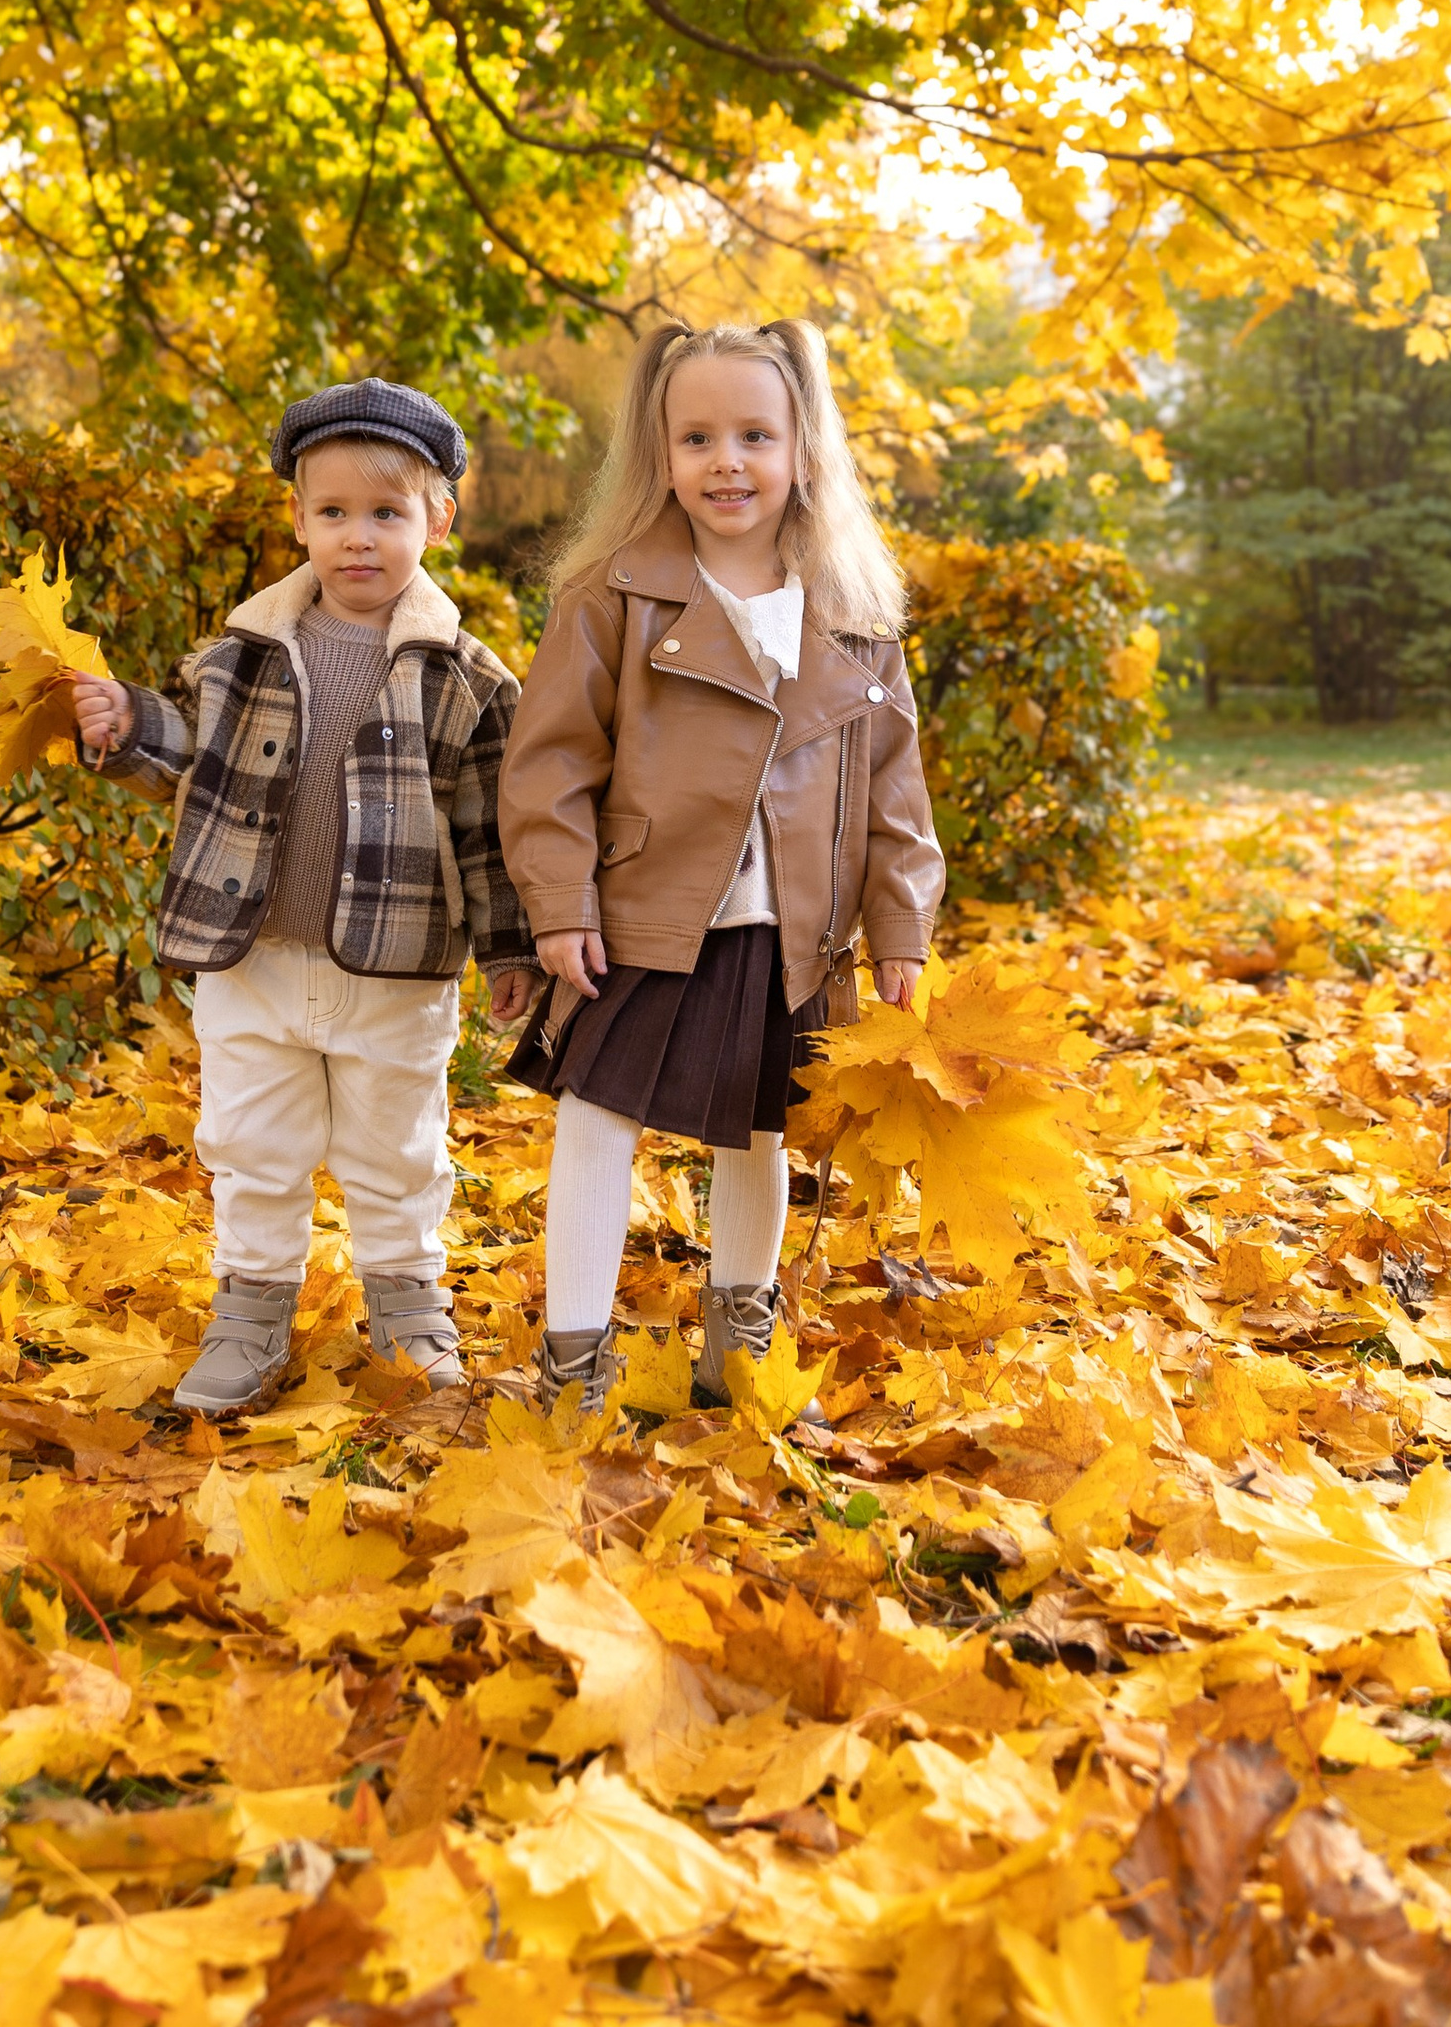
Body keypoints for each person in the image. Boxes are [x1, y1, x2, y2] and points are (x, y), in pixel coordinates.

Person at [497, 318, 943, 1414]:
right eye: (696, 438)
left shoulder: (852, 620)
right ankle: (574, 1359)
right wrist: (558, 905)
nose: (727, 462)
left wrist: (899, 933)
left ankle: (738, 1338)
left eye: (754, 434)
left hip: (792, 926)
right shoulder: (612, 594)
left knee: (759, 1130)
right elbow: (549, 764)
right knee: (596, 1119)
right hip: (645, 913)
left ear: (802, 450)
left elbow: (895, 794)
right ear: (659, 451)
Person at [69, 380, 537, 1414]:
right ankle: (249, 1313)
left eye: (385, 514)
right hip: (253, 958)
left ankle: (408, 1307)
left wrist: (511, 951)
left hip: (396, 966)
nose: (356, 538)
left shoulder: (465, 678)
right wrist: (125, 722)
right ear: (297, 518)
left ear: (437, 520)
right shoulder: (244, 652)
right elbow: (185, 750)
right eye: (331, 513)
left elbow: (487, 829)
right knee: (251, 1145)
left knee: (395, 1149)